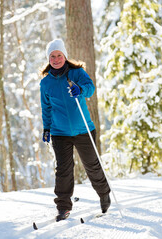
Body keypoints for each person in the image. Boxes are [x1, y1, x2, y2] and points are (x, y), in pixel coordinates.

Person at [40, 39, 111, 221]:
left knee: (92, 165)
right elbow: (46, 107)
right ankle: (63, 207)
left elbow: (90, 88)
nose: (56, 59)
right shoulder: (46, 83)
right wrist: (47, 128)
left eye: (59, 55)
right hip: (59, 132)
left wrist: (80, 89)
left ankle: (104, 194)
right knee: (63, 170)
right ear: (48, 59)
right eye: (52, 56)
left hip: (83, 129)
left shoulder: (77, 73)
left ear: (65, 56)